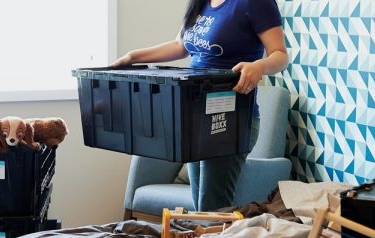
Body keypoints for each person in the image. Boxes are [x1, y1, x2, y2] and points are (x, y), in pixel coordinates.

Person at [112, 0, 289, 211]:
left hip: (231, 120)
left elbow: (280, 55)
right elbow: (180, 46)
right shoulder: (200, 3)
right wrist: (133, 57)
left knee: (213, 207)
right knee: (201, 209)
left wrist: (259, 65)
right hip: (194, 117)